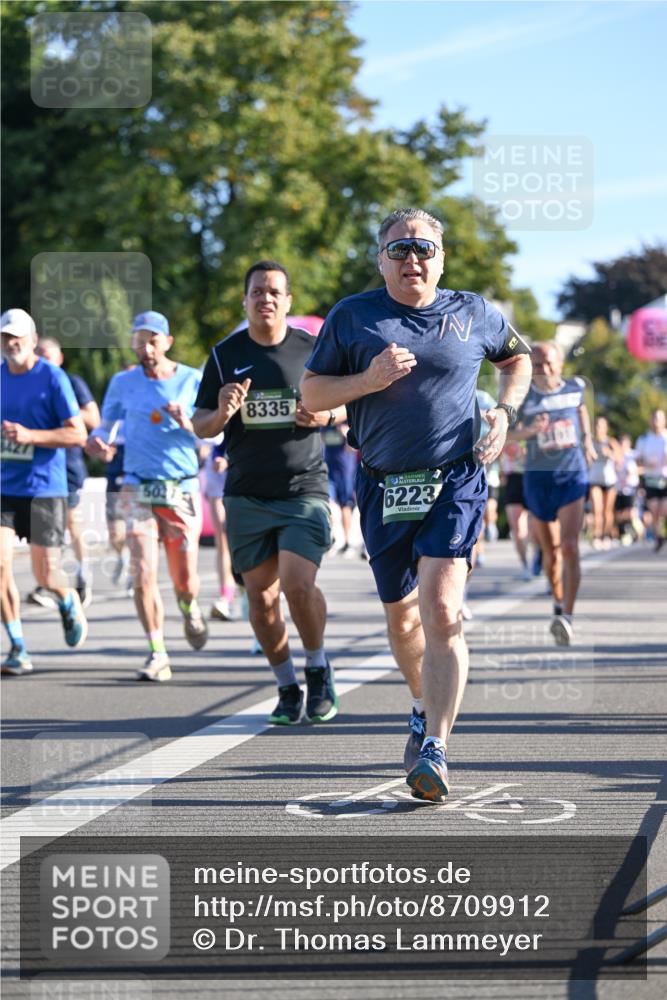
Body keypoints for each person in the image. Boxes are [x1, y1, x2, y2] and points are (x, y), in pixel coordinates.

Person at [300, 208, 532, 802]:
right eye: (399, 250)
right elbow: (312, 392)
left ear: (442, 257)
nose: (412, 260)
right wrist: (368, 380)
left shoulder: (473, 312)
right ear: (380, 259)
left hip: (455, 478)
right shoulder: (353, 317)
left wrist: (503, 414)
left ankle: (436, 745)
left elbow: (516, 358)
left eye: (424, 248)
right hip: (381, 482)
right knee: (403, 619)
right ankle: (420, 703)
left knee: (441, 608)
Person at [192, 260, 345, 726]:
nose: (267, 299)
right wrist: (222, 411)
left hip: (304, 488)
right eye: (258, 291)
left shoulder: (313, 349)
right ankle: (285, 684)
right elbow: (201, 425)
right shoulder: (224, 355)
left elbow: (345, 404)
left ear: (288, 301)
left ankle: (317, 667)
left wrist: (324, 417)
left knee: (298, 586)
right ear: (246, 300)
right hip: (247, 494)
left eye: (275, 291)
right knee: (260, 598)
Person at [86, 311, 207, 681]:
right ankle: (157, 651)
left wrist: (187, 421)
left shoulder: (192, 379)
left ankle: (189, 607)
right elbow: (107, 427)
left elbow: (211, 436)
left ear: (167, 342)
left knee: (184, 579)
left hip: (181, 487)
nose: (146, 346)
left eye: (152, 339)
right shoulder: (123, 382)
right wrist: (99, 442)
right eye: (139, 340)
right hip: (137, 485)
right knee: (142, 573)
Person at [1, 308, 88, 675]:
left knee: (44, 574)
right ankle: (17, 645)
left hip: (44, 488)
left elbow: (78, 434)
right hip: (4, 486)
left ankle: (66, 598)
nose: (11, 343)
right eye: (5, 337)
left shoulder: (52, 378)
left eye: (17, 337)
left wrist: (31, 436)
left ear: (33, 340)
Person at [509, 341, 597, 647]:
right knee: (551, 553)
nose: (543, 370)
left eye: (548, 363)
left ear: (559, 364)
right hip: (537, 478)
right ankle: (558, 602)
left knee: (570, 546)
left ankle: (567, 618)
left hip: (572, 474)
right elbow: (508, 432)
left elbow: (582, 410)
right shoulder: (523, 395)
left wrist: (587, 440)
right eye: (536, 365)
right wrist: (529, 432)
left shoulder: (574, 388)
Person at [27, 337, 101, 608]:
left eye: (48, 355)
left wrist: (62, 408)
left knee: (68, 522)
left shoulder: (70, 382)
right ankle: (47, 580)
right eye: (39, 355)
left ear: (59, 359)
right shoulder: (27, 382)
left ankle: (81, 575)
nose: (44, 360)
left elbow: (94, 419)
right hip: (33, 467)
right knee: (47, 525)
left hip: (66, 465)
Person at [201, 438, 240, 620]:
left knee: (252, 539)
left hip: (249, 469)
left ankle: (257, 589)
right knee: (223, 541)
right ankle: (226, 598)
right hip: (218, 473)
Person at [634, 408, 667, 552]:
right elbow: (637, 461)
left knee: (664, 509)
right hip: (651, 479)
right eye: (654, 419)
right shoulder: (644, 439)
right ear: (650, 421)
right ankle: (658, 537)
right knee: (654, 510)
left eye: (659, 419)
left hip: (665, 478)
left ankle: (662, 533)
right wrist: (648, 464)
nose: (656, 422)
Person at [588, 415, 620, 549]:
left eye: (601, 426)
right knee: (597, 509)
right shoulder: (590, 442)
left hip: (609, 480)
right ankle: (597, 535)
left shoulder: (611, 442)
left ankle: (606, 535)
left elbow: (620, 460)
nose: (598, 428)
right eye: (596, 425)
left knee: (607, 511)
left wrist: (610, 454)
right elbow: (586, 458)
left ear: (606, 428)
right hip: (595, 479)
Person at [614, 434, 642, 545]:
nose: (622, 446)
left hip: (631, 488)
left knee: (630, 512)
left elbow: (644, 467)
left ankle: (638, 531)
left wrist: (633, 473)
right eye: (620, 443)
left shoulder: (633, 455)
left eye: (624, 443)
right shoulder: (616, 456)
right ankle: (625, 533)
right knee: (619, 514)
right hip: (619, 489)